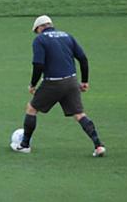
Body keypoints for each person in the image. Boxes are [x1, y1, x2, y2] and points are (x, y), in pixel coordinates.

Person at [11, 15, 106, 157]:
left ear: (39, 27)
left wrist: (32, 84)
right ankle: (98, 145)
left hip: (52, 83)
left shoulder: (40, 39)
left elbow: (38, 64)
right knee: (79, 114)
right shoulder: (67, 36)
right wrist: (85, 81)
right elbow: (83, 59)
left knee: (31, 108)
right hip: (72, 81)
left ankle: (24, 145)